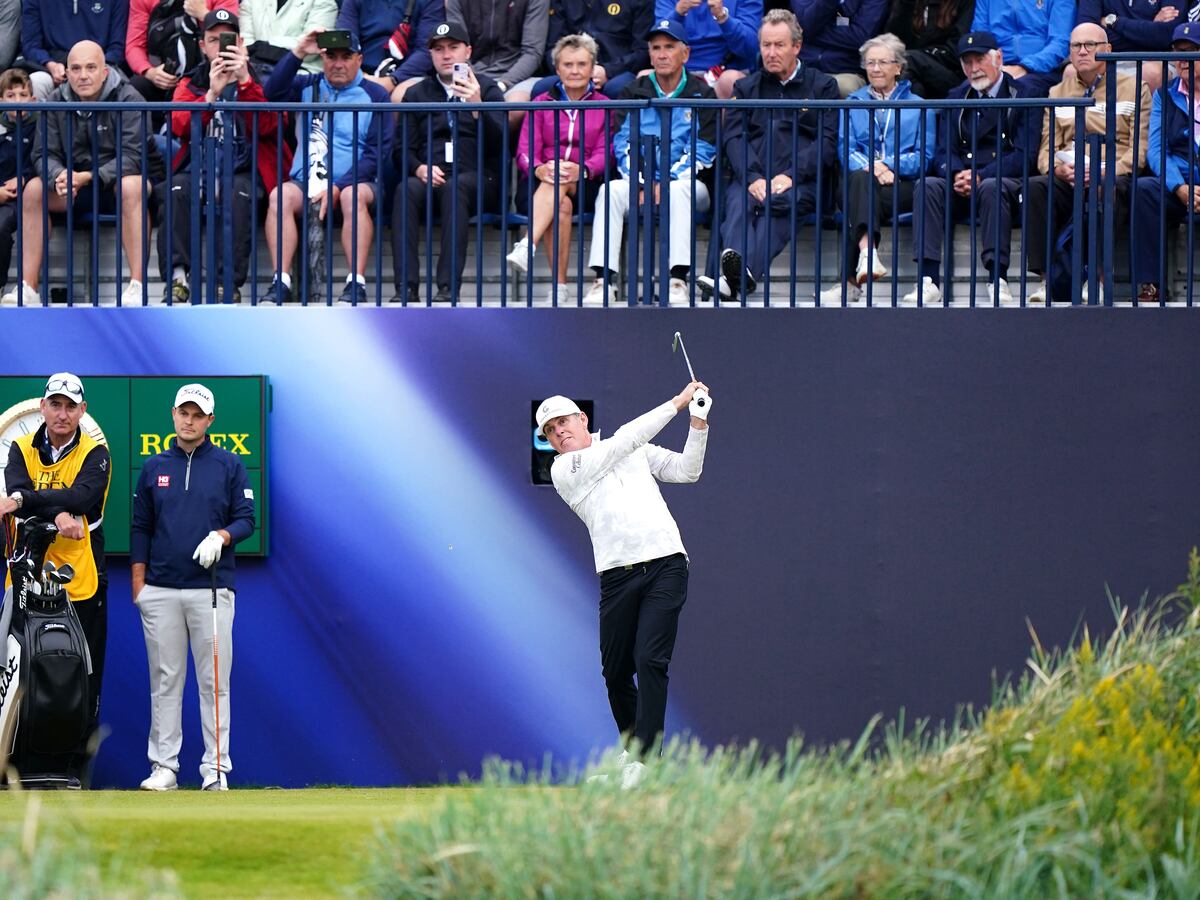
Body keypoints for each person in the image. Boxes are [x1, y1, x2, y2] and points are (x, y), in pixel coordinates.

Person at [537, 380, 711, 785]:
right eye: (550, 431)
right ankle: (635, 753)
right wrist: (675, 402)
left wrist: (697, 423)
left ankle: (646, 763)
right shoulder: (564, 469)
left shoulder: (632, 450)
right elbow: (622, 443)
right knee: (615, 671)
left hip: (666, 564)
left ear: (582, 419)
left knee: (650, 659)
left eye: (563, 422)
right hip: (617, 576)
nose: (558, 432)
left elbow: (687, 471)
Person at [131, 383, 256, 792]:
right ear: (173, 415)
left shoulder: (229, 465)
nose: (189, 420)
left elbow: (246, 520)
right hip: (161, 590)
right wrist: (139, 586)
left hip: (212, 591)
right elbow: (140, 528)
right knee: (165, 681)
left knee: (214, 681)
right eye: (184, 412)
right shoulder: (153, 467)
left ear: (210, 421)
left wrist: (221, 536)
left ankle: (214, 770)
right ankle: (164, 768)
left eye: (197, 414)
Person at [0, 373, 112, 787]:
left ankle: (73, 772)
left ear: (81, 411)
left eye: (71, 406)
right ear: (42, 407)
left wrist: (29, 501)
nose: (62, 414)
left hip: (78, 582)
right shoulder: (20, 447)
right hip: (24, 578)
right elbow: (16, 485)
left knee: (84, 675)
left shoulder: (96, 452)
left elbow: (82, 497)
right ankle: (11, 766)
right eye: (56, 405)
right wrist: (58, 512)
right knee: (15, 671)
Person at [5, 40, 161, 308]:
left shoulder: (130, 98)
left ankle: (137, 286)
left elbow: (134, 158)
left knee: (131, 187)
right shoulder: (54, 100)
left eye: (91, 67)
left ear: (105, 71)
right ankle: (28, 288)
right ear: (66, 71)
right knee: (33, 190)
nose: (83, 75)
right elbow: (43, 154)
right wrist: (59, 175)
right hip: (74, 186)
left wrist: (88, 175)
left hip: (118, 184)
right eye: (75, 68)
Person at [698, 9, 839, 303]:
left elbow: (826, 142)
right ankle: (738, 276)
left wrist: (789, 176)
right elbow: (734, 138)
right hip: (752, 177)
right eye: (766, 45)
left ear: (797, 47)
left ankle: (731, 278)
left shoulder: (823, 86)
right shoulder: (746, 87)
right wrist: (753, 177)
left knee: (779, 203)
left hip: (802, 182)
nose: (771, 52)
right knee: (737, 203)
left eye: (779, 45)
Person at [582, 20, 717, 307]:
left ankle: (677, 279)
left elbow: (703, 150)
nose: (662, 54)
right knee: (610, 191)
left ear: (686, 54)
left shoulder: (701, 93)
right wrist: (642, 181)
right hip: (640, 182)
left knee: (680, 190)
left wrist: (665, 183)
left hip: (689, 185)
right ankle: (603, 281)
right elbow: (622, 143)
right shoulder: (634, 90)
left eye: (670, 47)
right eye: (656, 48)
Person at [160, 9, 291, 304]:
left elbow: (272, 126)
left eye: (226, 40)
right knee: (176, 189)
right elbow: (180, 124)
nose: (220, 47)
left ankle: (225, 283)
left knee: (239, 192)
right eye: (212, 40)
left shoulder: (263, 75)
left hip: (246, 167)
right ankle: (178, 278)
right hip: (200, 166)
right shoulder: (191, 81)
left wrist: (245, 83)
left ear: (240, 43)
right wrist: (210, 97)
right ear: (203, 45)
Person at [905, 31, 1040, 306]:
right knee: (928, 185)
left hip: (1002, 185)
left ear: (999, 58)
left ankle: (997, 279)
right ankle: (928, 279)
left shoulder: (1025, 95)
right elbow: (944, 150)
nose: (974, 69)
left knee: (992, 187)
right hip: (962, 183)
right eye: (967, 62)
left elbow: (1025, 155)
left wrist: (981, 175)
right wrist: (955, 173)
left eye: (979, 60)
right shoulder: (956, 96)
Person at [263, 28, 394, 305]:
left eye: (346, 56)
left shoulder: (376, 95)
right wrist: (298, 51)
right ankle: (281, 282)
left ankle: (355, 283)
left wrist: (339, 185)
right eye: (330, 56)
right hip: (306, 181)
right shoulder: (307, 86)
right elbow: (272, 92)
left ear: (359, 59)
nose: (337, 63)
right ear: (322, 59)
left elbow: (376, 154)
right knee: (279, 196)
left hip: (358, 182)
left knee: (352, 196)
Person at [1025, 23, 1149, 304]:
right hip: (1069, 173)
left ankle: (1099, 279)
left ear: (1108, 49)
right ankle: (1046, 282)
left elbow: (1139, 149)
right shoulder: (1058, 92)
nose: (1082, 52)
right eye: (1075, 46)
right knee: (1035, 188)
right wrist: (1056, 168)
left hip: (1111, 172)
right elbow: (1046, 150)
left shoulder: (1134, 87)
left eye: (1089, 45)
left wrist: (1104, 170)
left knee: (1106, 189)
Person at [394, 22, 506, 304]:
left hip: (477, 177)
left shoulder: (488, 88)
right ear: (430, 55)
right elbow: (400, 148)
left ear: (467, 51)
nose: (446, 55)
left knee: (455, 188)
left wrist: (479, 106)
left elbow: (501, 144)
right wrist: (418, 167)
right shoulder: (416, 94)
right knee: (404, 189)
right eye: (439, 49)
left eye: (453, 48)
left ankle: (447, 287)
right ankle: (405, 287)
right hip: (430, 175)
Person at [821, 33, 935, 305]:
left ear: (898, 67)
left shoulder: (920, 107)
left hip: (902, 186)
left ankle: (850, 280)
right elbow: (845, 150)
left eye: (882, 62)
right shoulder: (853, 104)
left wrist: (889, 165)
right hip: (863, 183)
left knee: (858, 193)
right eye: (869, 63)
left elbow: (924, 158)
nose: (875, 68)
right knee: (859, 182)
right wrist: (874, 169)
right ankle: (868, 256)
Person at [507, 33, 611, 304]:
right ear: (557, 68)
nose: (575, 71)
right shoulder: (541, 103)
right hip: (539, 182)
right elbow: (525, 151)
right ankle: (559, 287)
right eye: (568, 64)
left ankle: (527, 245)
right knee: (560, 204)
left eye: (581, 64)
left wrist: (583, 169)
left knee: (562, 176)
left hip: (588, 181)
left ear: (592, 68)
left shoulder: (605, 106)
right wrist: (540, 169)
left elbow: (605, 153)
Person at [1132, 22, 1200, 304]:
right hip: (1182, 184)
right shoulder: (1165, 94)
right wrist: (1179, 187)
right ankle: (1150, 284)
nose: (1183, 60)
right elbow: (1157, 150)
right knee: (1145, 189)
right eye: (1178, 52)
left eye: (1191, 51)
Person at [125, 0, 239, 103]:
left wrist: (204, 15)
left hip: (209, 72)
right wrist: (149, 72)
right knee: (137, 85)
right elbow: (134, 45)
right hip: (164, 74)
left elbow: (229, 35)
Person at [448, 0, 549, 111]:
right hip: (472, 74)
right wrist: (475, 81)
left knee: (513, 109)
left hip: (519, 77)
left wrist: (503, 84)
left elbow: (533, 52)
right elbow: (458, 47)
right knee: (450, 107)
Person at [540, 0, 653, 98]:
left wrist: (608, 71)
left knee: (617, 88)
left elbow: (642, 51)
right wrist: (572, 69)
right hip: (572, 69)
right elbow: (553, 48)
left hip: (619, 71)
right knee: (542, 88)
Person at [18, 0, 129, 100]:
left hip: (100, 65)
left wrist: (94, 68)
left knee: (121, 85)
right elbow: (31, 45)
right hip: (53, 67)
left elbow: (117, 47)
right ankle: (42, 123)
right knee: (37, 82)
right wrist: (50, 64)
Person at [335, 0, 442, 98]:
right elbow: (345, 42)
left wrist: (393, 80)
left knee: (401, 95)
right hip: (363, 73)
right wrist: (361, 75)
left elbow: (426, 49)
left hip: (408, 75)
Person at [655, 0, 761, 98]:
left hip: (727, 71)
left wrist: (723, 18)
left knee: (730, 80)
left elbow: (750, 48)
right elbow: (657, 43)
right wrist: (678, 13)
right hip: (680, 72)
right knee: (645, 77)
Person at [969, 0, 1073, 96]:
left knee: (1020, 88)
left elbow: (1061, 42)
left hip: (1043, 70)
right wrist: (994, 67)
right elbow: (980, 38)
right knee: (965, 89)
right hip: (997, 67)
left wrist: (1025, 67)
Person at [790, 0, 891, 97]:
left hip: (845, 70)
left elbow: (860, 37)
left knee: (845, 87)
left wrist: (810, 32)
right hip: (802, 68)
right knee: (783, 83)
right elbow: (806, 23)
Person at [1078, 0, 1184, 92]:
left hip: (1155, 59)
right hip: (1108, 59)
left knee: (1153, 73)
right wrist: (1150, 27)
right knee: (1072, 71)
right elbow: (1087, 34)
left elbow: (1165, 35)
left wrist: (1115, 22)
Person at [884, 0, 976, 99]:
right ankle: (920, 113)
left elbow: (956, 49)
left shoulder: (964, 2)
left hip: (951, 73)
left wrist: (922, 56)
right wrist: (906, 5)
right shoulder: (912, 3)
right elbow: (893, 40)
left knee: (907, 60)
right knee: (914, 84)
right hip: (914, 68)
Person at [0, 69, 36, 302]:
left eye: (23, 95)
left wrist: (23, 179)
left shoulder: (41, 125)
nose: (17, 101)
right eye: (10, 95)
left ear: (33, 100)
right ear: (1, 100)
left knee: (0, 225)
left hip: (23, 199)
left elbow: (43, 160)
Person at [240, 0, 339, 76]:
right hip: (255, 72)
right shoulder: (250, 2)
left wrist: (261, 47)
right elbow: (245, 45)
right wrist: (260, 49)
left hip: (301, 74)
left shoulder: (323, 2)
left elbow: (312, 46)